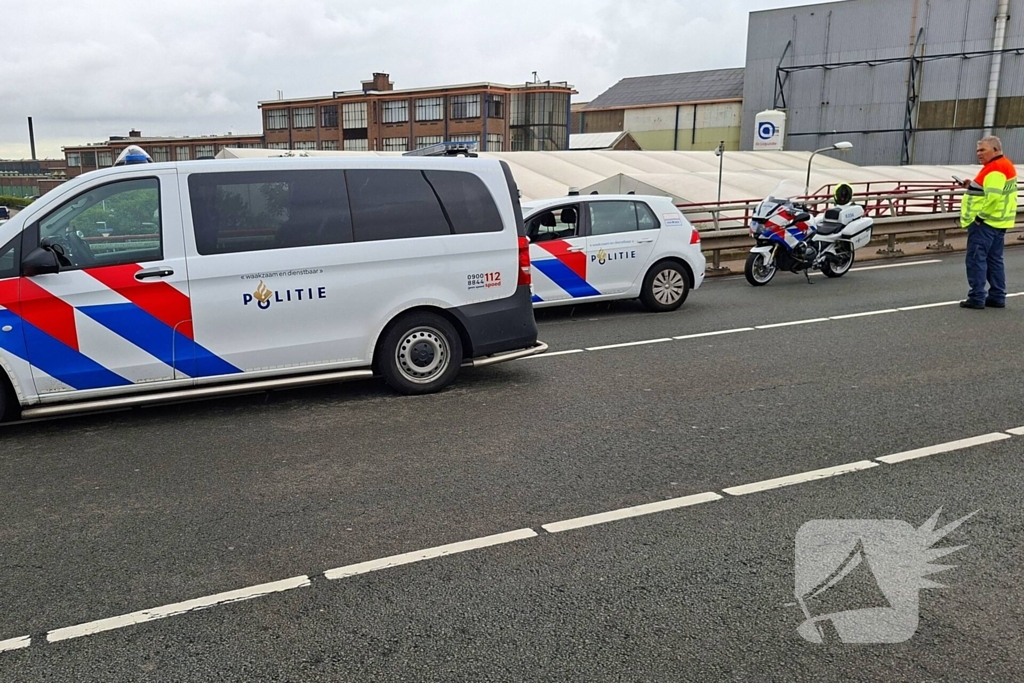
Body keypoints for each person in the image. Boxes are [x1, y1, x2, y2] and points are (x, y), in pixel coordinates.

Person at [959, 136, 1018, 309]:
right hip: (999, 221)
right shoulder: (1005, 165)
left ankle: (977, 297)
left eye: (983, 150)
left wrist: (979, 217)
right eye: (978, 150)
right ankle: (998, 296)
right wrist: (972, 185)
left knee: (976, 259)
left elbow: (993, 197)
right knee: (994, 260)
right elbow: (992, 190)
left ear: (995, 150)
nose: (979, 154)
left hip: (986, 223)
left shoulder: (995, 169)